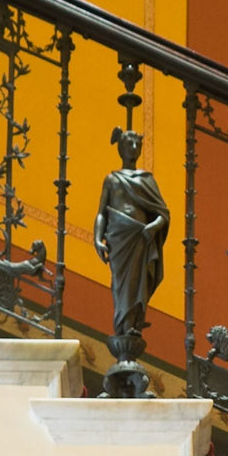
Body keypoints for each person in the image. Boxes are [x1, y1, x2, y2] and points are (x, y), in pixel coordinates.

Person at [93, 128, 170, 349]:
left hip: (140, 238)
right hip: (118, 238)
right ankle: (123, 326)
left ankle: (133, 324)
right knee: (120, 285)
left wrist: (154, 227)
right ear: (120, 147)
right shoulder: (112, 179)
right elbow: (102, 213)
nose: (134, 149)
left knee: (138, 285)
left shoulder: (147, 179)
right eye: (129, 144)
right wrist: (97, 239)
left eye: (137, 144)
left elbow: (163, 213)